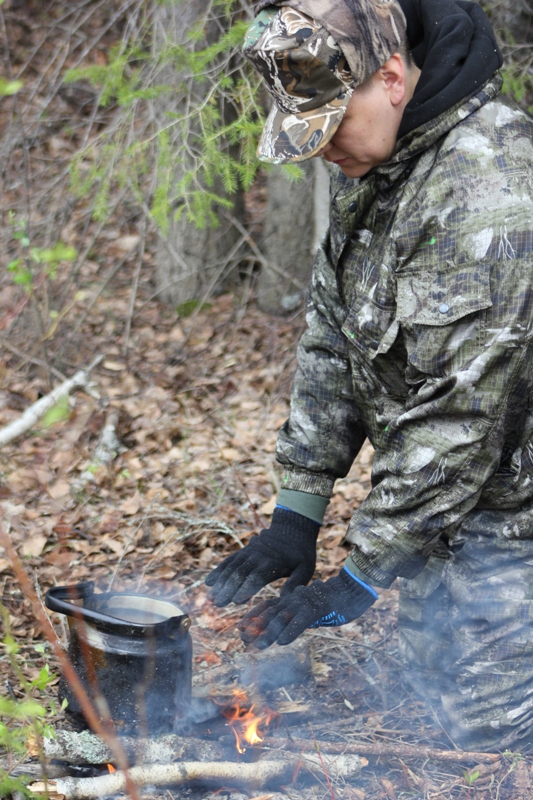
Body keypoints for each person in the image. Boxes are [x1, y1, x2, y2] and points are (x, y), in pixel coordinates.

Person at [206, 0, 533, 751]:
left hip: (511, 520)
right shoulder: (384, 156)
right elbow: (335, 334)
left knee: (490, 741)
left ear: (389, 77)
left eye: (329, 129)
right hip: (451, 515)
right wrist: (297, 513)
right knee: (427, 697)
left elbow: (458, 413)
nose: (322, 152)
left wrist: (362, 574)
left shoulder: (491, 192)